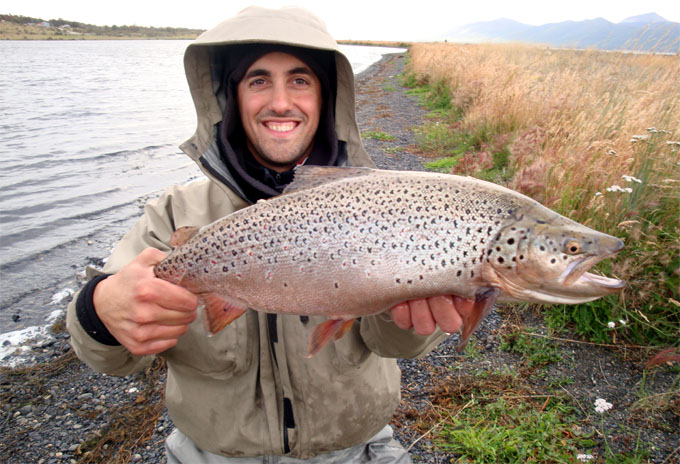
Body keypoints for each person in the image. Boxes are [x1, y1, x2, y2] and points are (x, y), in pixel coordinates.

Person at [66, 6, 473, 463]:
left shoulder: (387, 205)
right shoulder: (173, 213)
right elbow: (110, 360)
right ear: (231, 98)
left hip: (352, 448)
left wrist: (414, 319)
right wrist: (100, 309)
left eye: (300, 80)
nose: (281, 102)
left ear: (327, 98)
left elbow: (394, 346)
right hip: (213, 453)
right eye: (259, 81)